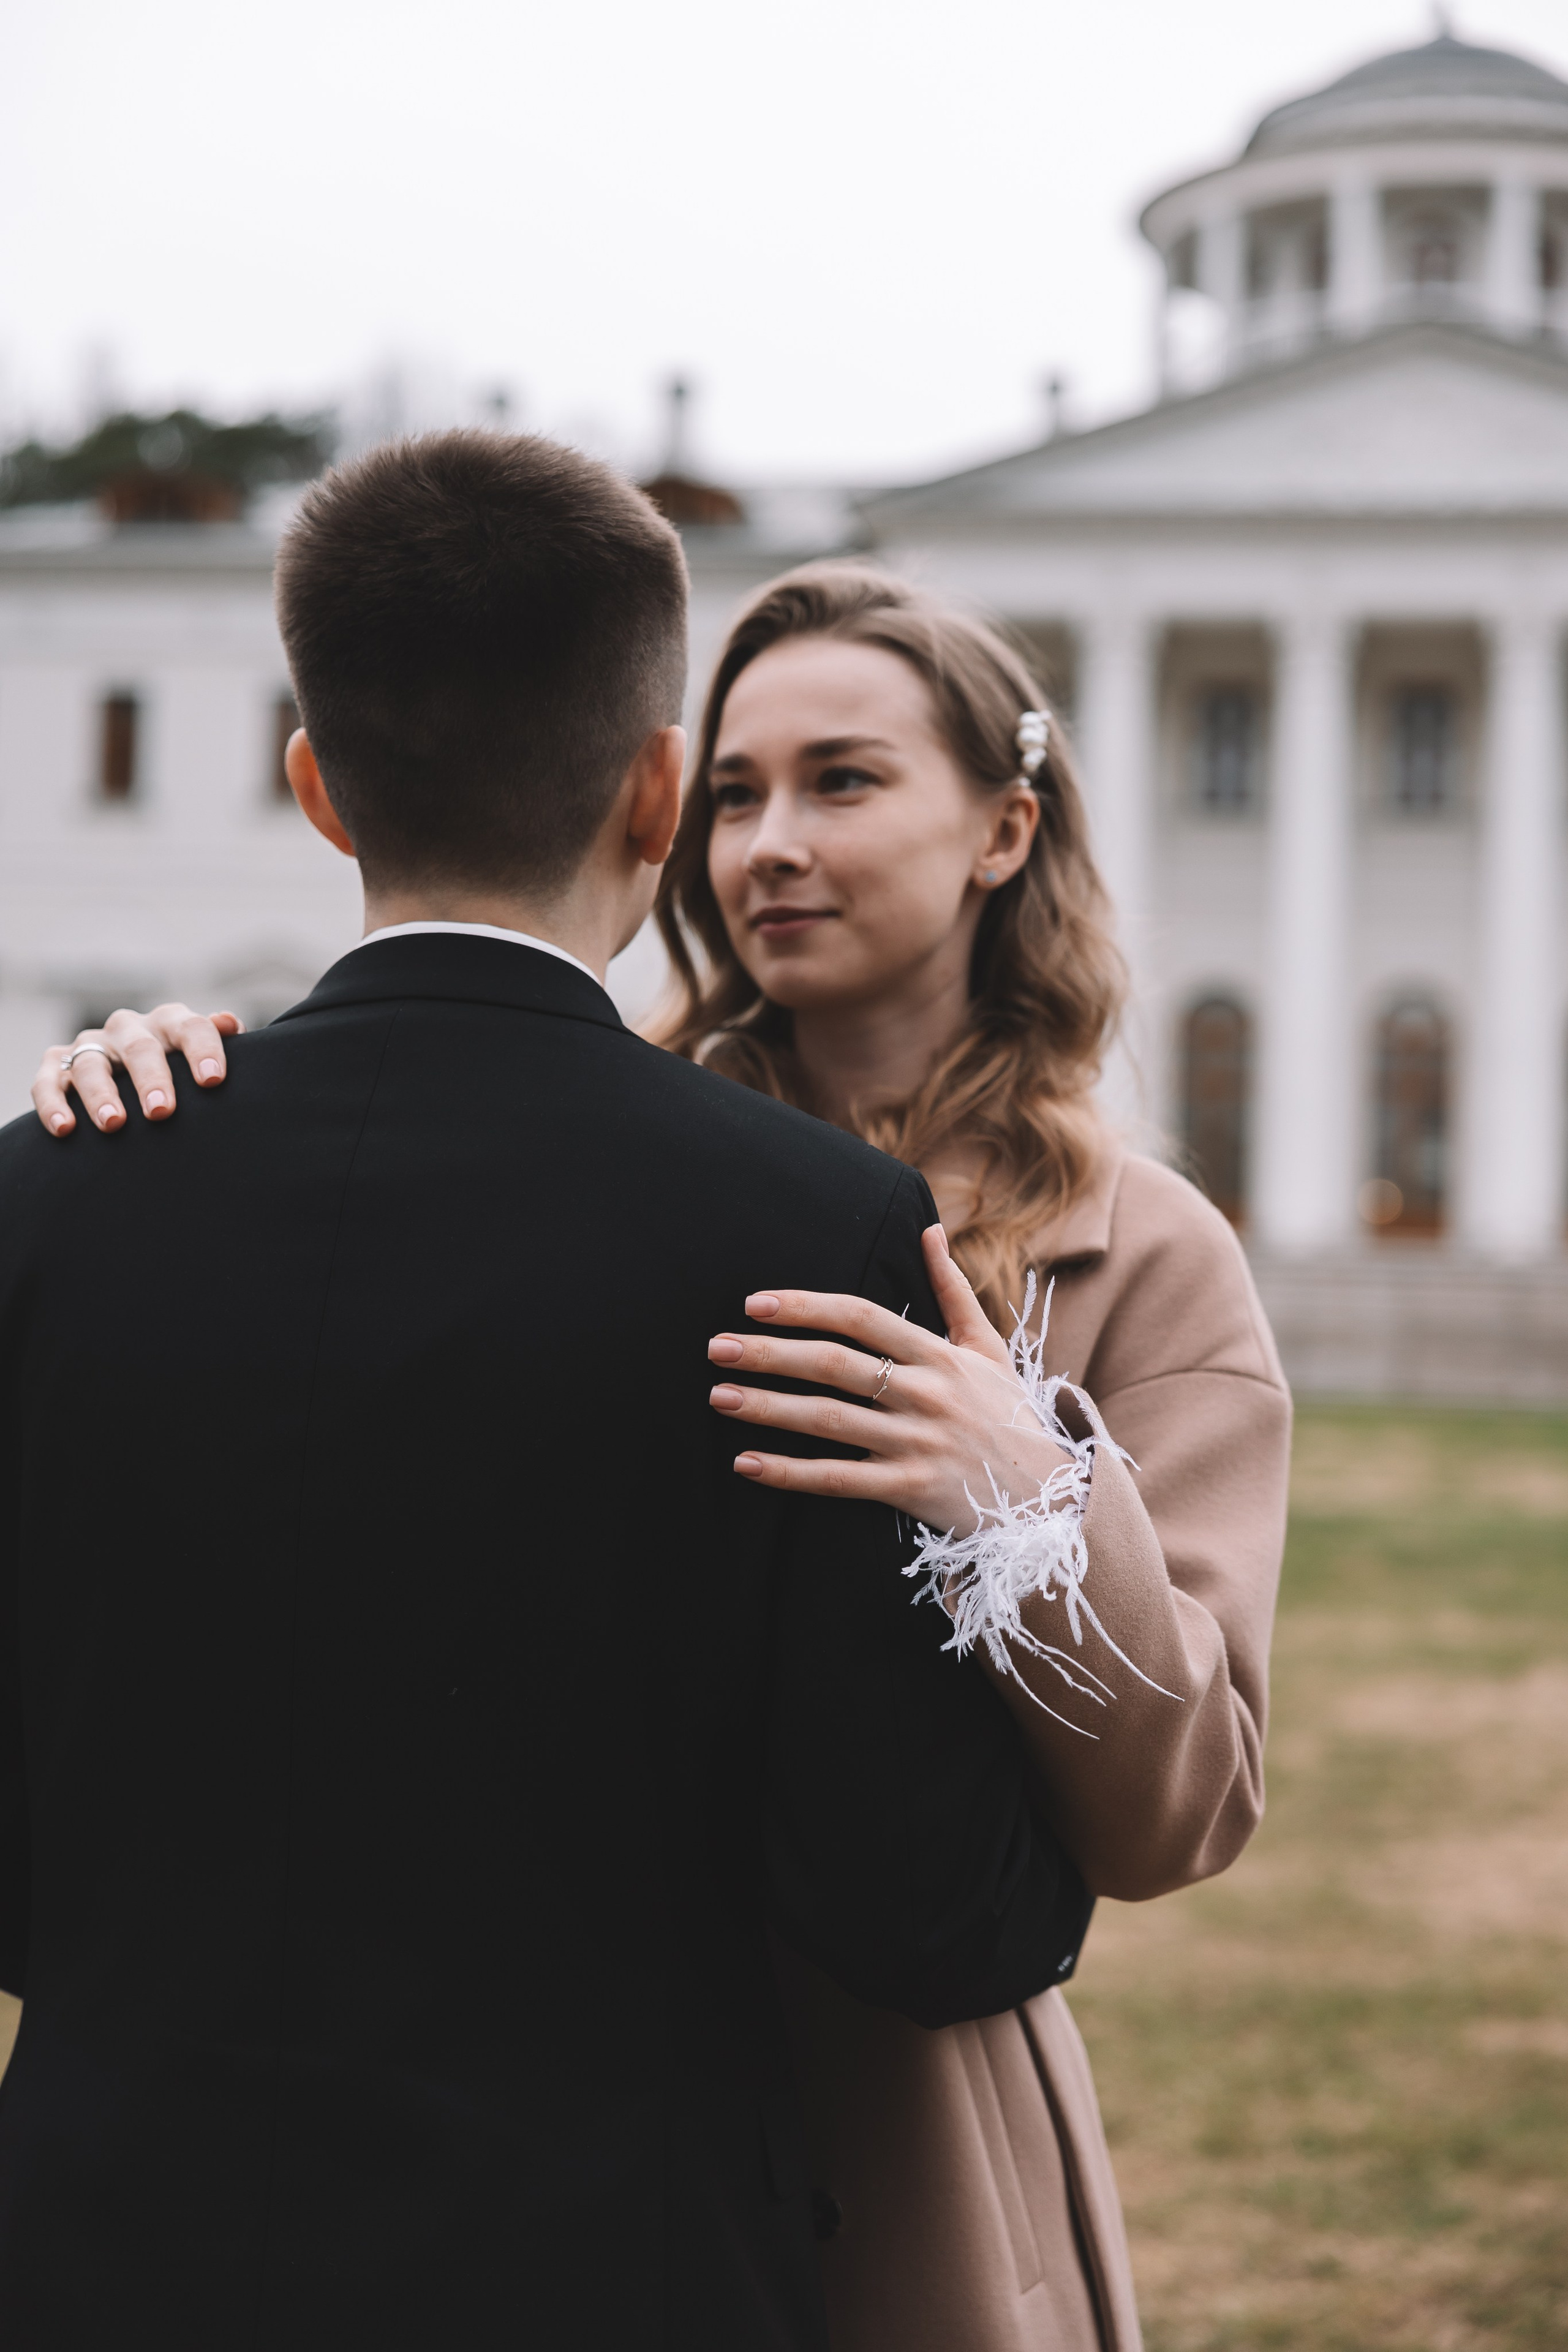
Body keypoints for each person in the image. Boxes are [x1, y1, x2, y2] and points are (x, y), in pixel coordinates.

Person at [37, 564, 1293, 2352]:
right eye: (732, 791)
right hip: (507, 2091)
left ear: (1006, 827)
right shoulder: (563, 1154)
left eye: (843, 781)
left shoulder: (1147, 1255)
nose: (769, 842)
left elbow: (1189, 1806)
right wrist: (180, 1100)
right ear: (656, 802)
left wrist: (1029, 1497)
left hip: (894, 2115)